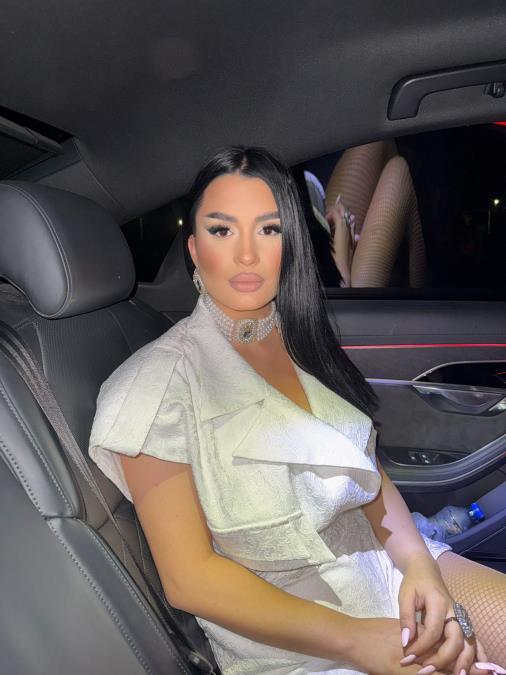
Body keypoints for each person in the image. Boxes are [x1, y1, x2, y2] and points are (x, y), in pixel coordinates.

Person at [88, 146, 506, 675]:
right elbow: (189, 578)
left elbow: (368, 475)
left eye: (269, 229)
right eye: (222, 230)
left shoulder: (301, 339)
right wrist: (356, 642)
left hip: (387, 572)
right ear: (194, 247)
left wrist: (421, 566)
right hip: (297, 645)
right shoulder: (153, 387)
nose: (246, 254)